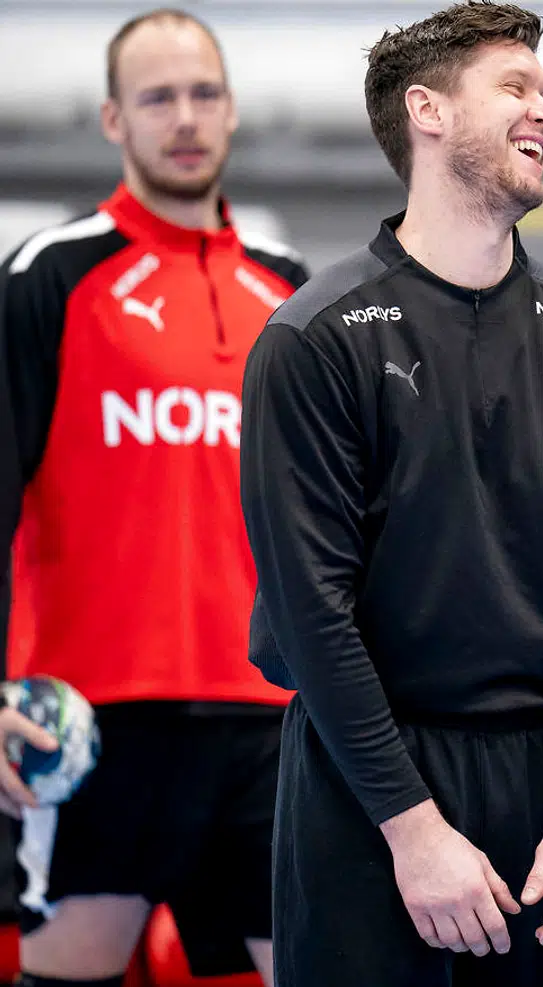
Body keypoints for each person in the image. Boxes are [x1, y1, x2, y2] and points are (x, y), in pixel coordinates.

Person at [238, 2, 543, 985]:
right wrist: (412, 832)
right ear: (426, 110)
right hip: (368, 787)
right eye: (515, 87)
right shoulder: (315, 341)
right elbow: (311, 614)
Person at [0, 9, 308, 987]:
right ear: (112, 120)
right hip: (92, 726)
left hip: (271, 721)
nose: (185, 117)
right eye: (158, 97)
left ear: (230, 111)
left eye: (204, 93)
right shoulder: (50, 277)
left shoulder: (294, 297)